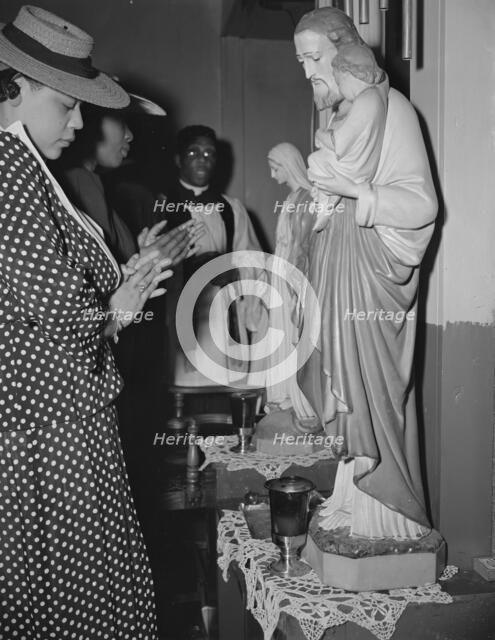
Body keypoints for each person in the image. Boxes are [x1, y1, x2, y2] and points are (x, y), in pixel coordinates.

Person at [0, 6, 167, 637]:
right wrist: (119, 309)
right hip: (47, 432)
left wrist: (121, 289)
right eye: (67, 104)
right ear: (18, 87)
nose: (78, 121)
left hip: (54, 421)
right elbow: (63, 314)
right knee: (78, 601)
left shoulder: (24, 169)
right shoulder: (8, 170)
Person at [291, 7, 438, 540]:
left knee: (373, 394)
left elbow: (422, 204)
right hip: (339, 268)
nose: (308, 72)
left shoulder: (393, 108)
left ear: (343, 50)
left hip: (374, 275)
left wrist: (360, 196)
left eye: (314, 58)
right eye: (301, 61)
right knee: (346, 393)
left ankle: (390, 517)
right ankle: (352, 499)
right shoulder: (339, 116)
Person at [162, 125, 262, 387]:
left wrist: (236, 271)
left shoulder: (232, 208)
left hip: (221, 312)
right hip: (180, 314)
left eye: (209, 154)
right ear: (178, 159)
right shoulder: (160, 204)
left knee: (223, 390)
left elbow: (252, 257)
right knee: (183, 391)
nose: (202, 160)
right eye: (194, 152)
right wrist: (193, 268)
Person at [307, 43, 387, 232]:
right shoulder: (372, 98)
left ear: (349, 74)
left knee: (315, 160)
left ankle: (326, 202)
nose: (341, 90)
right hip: (358, 164)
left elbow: (340, 143)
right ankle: (326, 200)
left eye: (340, 82)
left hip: (355, 167)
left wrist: (320, 135)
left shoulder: (367, 100)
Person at [263, 143, 315, 421]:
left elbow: (302, 247)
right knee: (280, 336)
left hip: (293, 277)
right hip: (280, 276)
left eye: (275, 168)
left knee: (292, 335)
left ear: (289, 165)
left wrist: (295, 285)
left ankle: (297, 399)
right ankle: (281, 396)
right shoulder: (292, 199)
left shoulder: (306, 199)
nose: (272, 176)